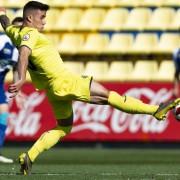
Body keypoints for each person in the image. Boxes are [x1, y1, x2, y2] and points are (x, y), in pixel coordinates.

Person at [0, 1, 180, 175]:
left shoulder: (15, 32)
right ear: (30, 19)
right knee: (109, 96)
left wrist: (2, 13)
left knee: (64, 127)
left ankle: (29, 156)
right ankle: (155, 110)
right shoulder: (30, 34)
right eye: (42, 17)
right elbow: (24, 53)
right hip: (65, 81)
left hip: (52, 89)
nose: (44, 21)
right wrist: (22, 77)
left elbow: (6, 24)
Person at [0, 17, 23, 163]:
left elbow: (15, 70)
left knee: (4, 115)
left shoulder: (20, 49)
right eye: (16, 28)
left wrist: (17, 87)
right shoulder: (2, 40)